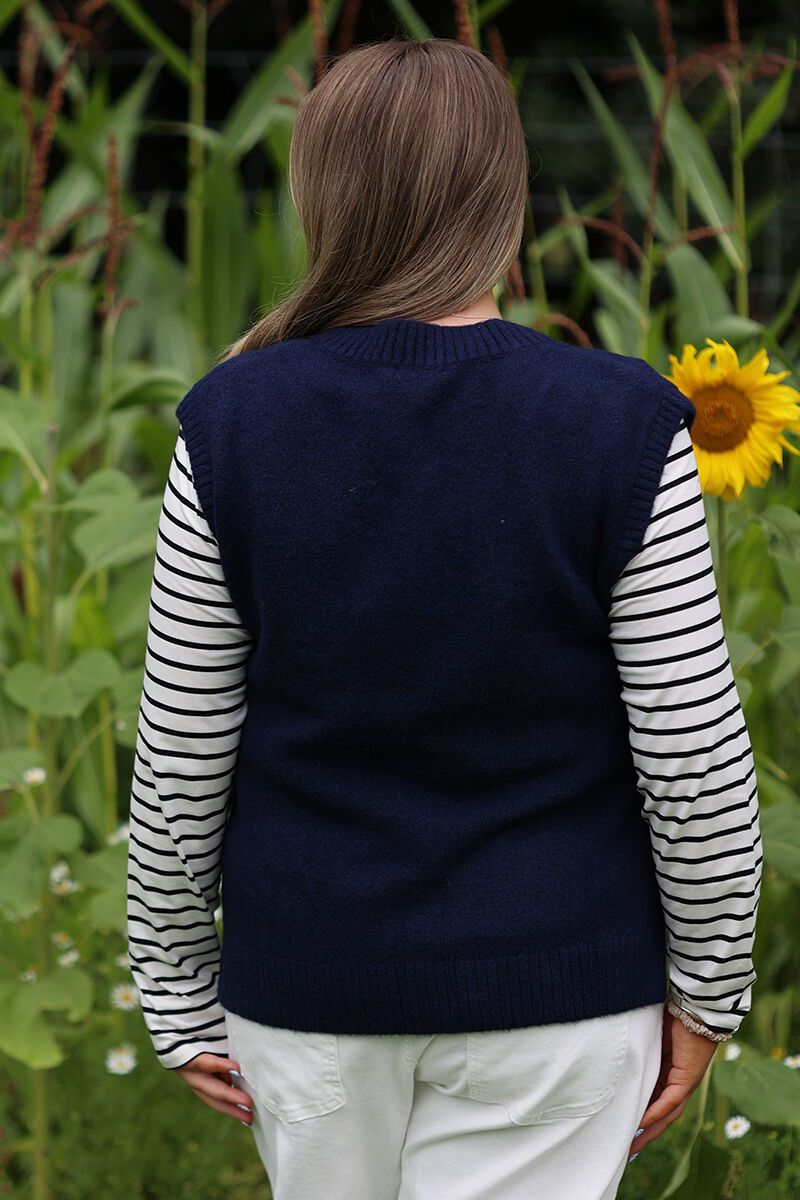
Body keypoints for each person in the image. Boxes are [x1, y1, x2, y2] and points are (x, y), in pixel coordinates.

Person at [126, 36, 762, 1200]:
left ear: (322, 192)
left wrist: (171, 986)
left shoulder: (229, 424)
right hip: (559, 1000)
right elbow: (691, 757)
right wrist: (708, 992)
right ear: (504, 198)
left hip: (307, 999)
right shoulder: (619, 424)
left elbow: (181, 751)